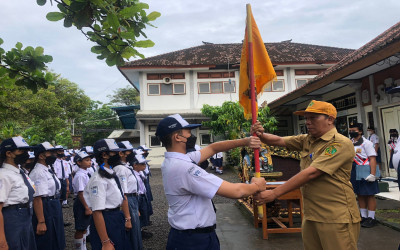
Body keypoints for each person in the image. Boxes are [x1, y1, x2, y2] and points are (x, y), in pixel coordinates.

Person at [251, 100, 360, 250]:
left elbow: (311, 173)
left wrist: (274, 193)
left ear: (330, 119)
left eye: (313, 118)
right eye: (306, 118)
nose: (308, 122)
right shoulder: (307, 140)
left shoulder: (340, 143)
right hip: (311, 215)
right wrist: (261, 134)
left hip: (335, 216)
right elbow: (278, 140)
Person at [155, 114, 266, 250]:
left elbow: (213, 148)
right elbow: (236, 191)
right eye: (188, 132)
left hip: (192, 236)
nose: (191, 136)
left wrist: (246, 141)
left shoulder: (175, 160)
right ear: (177, 137)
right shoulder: (184, 168)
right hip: (193, 241)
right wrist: (256, 185)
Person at [83, 139, 131, 250]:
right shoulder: (98, 179)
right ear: (104, 154)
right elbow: (97, 211)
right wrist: (105, 242)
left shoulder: (110, 173)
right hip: (106, 219)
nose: (119, 155)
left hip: (116, 217)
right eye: (115, 153)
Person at [0, 136, 36, 250]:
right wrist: (2, 240)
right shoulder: (3, 175)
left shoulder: (21, 172)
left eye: (26, 151)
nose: (25, 153)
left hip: (26, 216)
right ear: (9, 153)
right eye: (21, 150)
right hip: (12, 218)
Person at [29, 142, 66, 250]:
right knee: (47, 240)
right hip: (45, 206)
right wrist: (41, 221)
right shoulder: (38, 172)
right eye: (51, 152)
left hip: (53, 204)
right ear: (41, 156)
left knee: (56, 237)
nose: (54, 155)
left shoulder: (48, 168)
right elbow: (37, 198)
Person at [349, 123, 379, 228]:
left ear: (360, 131)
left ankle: (371, 217)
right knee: (360, 193)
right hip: (355, 170)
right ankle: (364, 216)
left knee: (369, 194)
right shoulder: (350, 143)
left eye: (354, 130)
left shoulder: (367, 143)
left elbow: (372, 158)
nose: (351, 132)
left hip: (366, 170)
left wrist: (373, 174)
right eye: (350, 130)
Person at [114, 141, 143, 250]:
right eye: (129, 152)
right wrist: (127, 218)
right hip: (128, 200)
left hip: (133, 199)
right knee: (132, 228)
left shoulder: (125, 167)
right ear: (121, 153)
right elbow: (123, 193)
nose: (131, 154)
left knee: (136, 228)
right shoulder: (121, 169)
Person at [72, 151, 93, 250]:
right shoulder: (80, 175)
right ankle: (79, 248)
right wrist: (86, 207)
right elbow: (81, 193)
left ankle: (83, 247)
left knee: (84, 227)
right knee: (80, 228)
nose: (90, 162)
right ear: (79, 162)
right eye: (87, 160)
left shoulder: (86, 173)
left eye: (90, 160)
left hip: (86, 201)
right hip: (82, 203)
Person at [131, 149, 153, 240]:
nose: (145, 166)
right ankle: (137, 233)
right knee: (138, 215)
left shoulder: (140, 173)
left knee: (144, 213)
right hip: (137, 197)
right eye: (142, 164)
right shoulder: (133, 174)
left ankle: (140, 231)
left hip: (143, 196)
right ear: (135, 165)